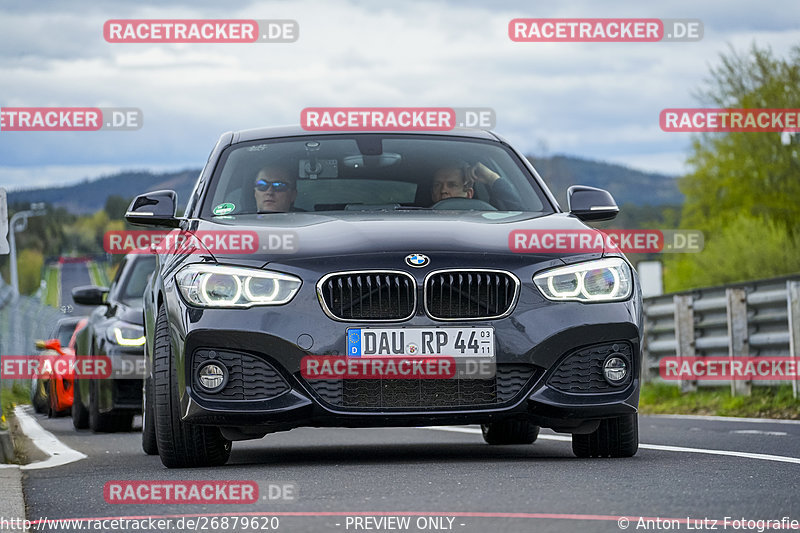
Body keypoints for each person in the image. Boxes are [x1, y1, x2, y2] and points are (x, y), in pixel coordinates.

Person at [431, 162, 522, 210]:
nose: (443, 190)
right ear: (432, 193)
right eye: (437, 185)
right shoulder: (419, 219)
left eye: (452, 185)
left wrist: (492, 177)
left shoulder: (484, 221)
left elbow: (521, 215)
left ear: (469, 194)